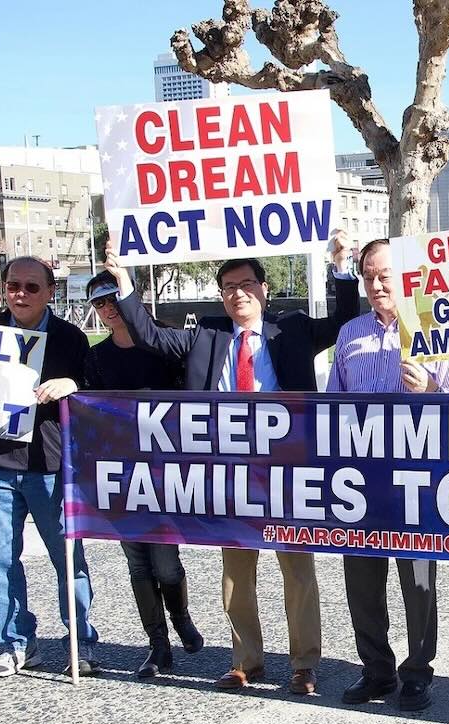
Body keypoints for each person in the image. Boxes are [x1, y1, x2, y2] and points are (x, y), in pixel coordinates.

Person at [107, 236, 360, 696]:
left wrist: (340, 267)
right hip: (229, 474)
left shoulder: (294, 330)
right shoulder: (207, 334)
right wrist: (124, 281)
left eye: (245, 284)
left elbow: (344, 321)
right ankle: (246, 661)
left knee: (297, 572)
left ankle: (304, 665)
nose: (237, 293)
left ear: (264, 289)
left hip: (287, 472)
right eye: (227, 286)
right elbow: (149, 334)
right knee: (235, 574)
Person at [327, 238, 449, 712]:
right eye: (368, 275)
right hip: (361, 478)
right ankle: (376, 671)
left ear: (406, 276)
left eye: (384, 274)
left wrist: (429, 387)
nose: (376, 283)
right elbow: (333, 405)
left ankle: (418, 672)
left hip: (417, 476)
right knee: (361, 579)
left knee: (418, 581)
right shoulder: (350, 335)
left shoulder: (436, 327)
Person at [0, 256, 100, 678]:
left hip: (49, 466)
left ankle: (80, 642)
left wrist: (74, 386)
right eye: (13, 285)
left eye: (32, 287)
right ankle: (16, 643)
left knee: (67, 557)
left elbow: (97, 396)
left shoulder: (70, 339)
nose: (21, 294)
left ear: (51, 292)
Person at [83, 272, 205, 679]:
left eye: (114, 297)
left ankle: (181, 617)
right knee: (137, 563)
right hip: (120, 476)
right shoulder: (97, 357)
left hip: (165, 473)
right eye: (99, 303)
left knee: (166, 564)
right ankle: (158, 645)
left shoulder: (164, 345)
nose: (108, 308)